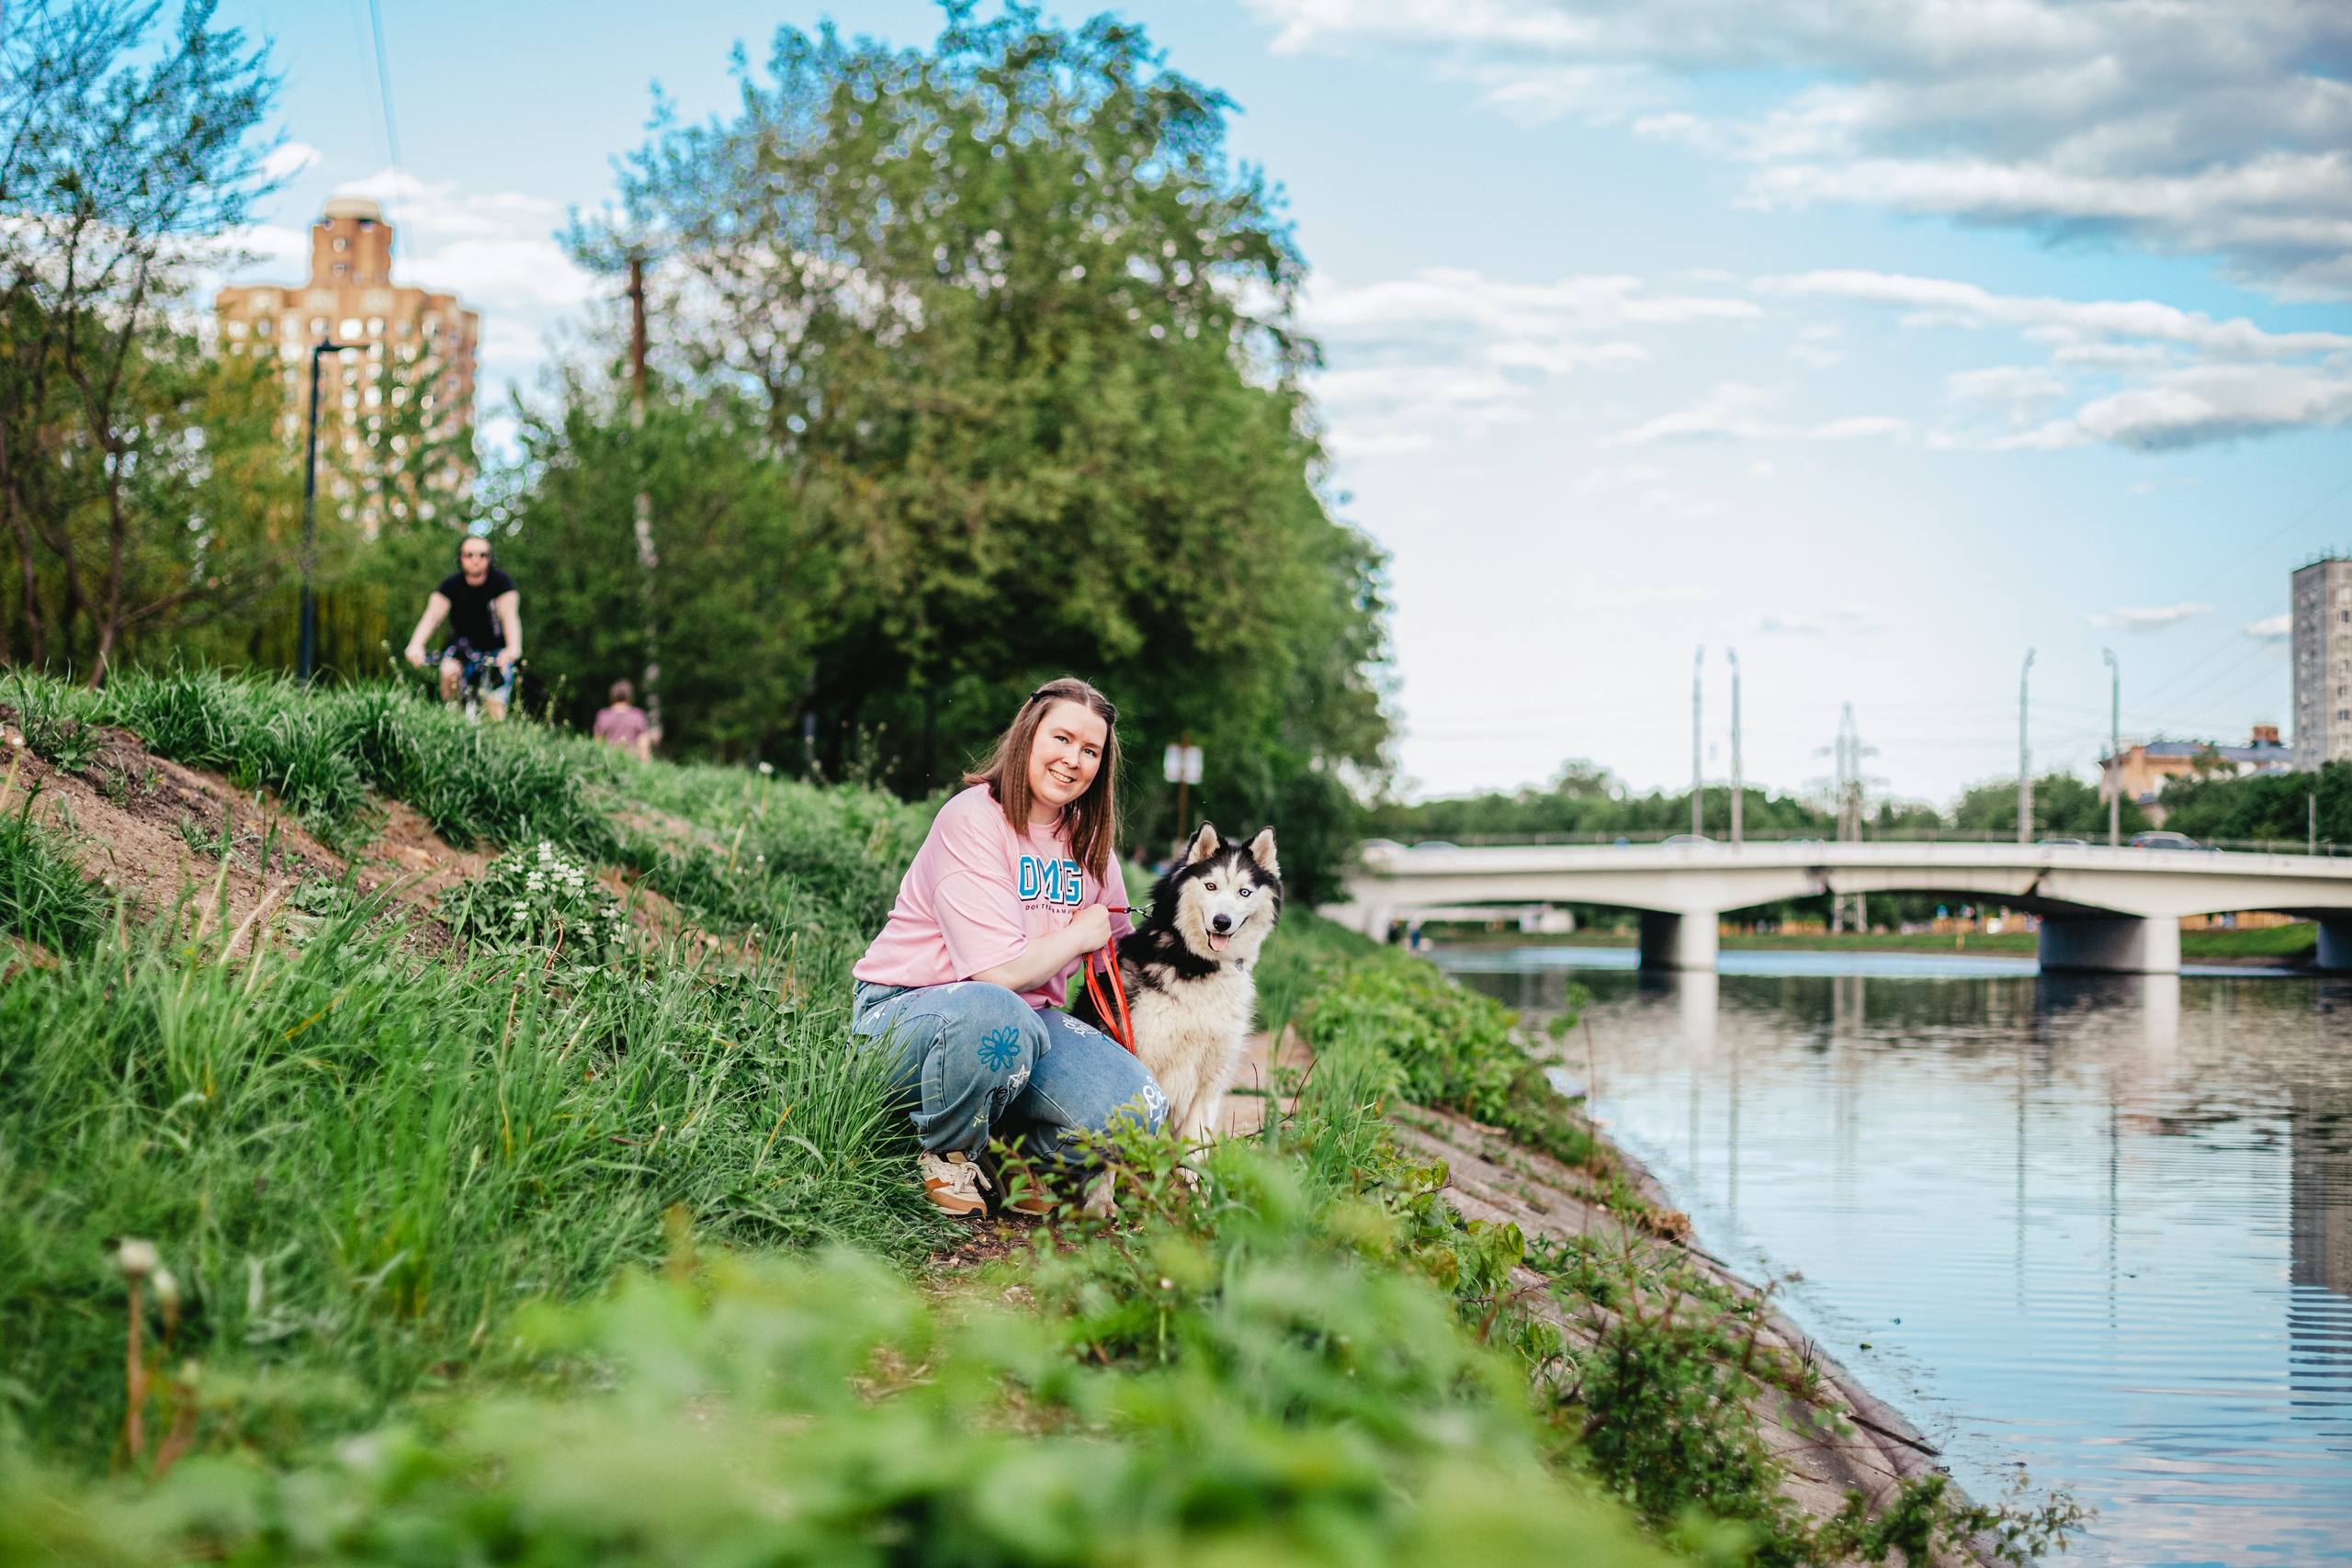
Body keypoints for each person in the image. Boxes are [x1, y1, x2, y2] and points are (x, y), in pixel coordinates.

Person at [850, 676, 1167, 1217]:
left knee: (1139, 1105)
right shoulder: (973, 819)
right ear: (1029, 734)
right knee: (999, 1013)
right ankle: (947, 1152)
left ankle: (1012, 1155)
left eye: (1090, 750)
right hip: (909, 1016)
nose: (1073, 760)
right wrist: (1077, 935)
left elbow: (1122, 949)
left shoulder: (1090, 847)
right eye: (1062, 739)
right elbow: (995, 976)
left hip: (1026, 1024)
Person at [403, 536, 520, 719]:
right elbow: (432, 616)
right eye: (470, 555)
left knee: (495, 705)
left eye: (482, 555)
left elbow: (510, 616)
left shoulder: (501, 582)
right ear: (461, 558)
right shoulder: (451, 584)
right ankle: (454, 722)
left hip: (495, 652)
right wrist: (416, 645)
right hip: (462, 649)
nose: (476, 559)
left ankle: (495, 735)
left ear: (490, 559)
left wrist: (512, 648)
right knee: (449, 672)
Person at [593, 680, 654, 761]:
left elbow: (598, 745)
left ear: (612, 697)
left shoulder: (603, 715)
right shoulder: (637, 716)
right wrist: (645, 765)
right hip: (631, 761)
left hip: (610, 761)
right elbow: (643, 745)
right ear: (630, 698)